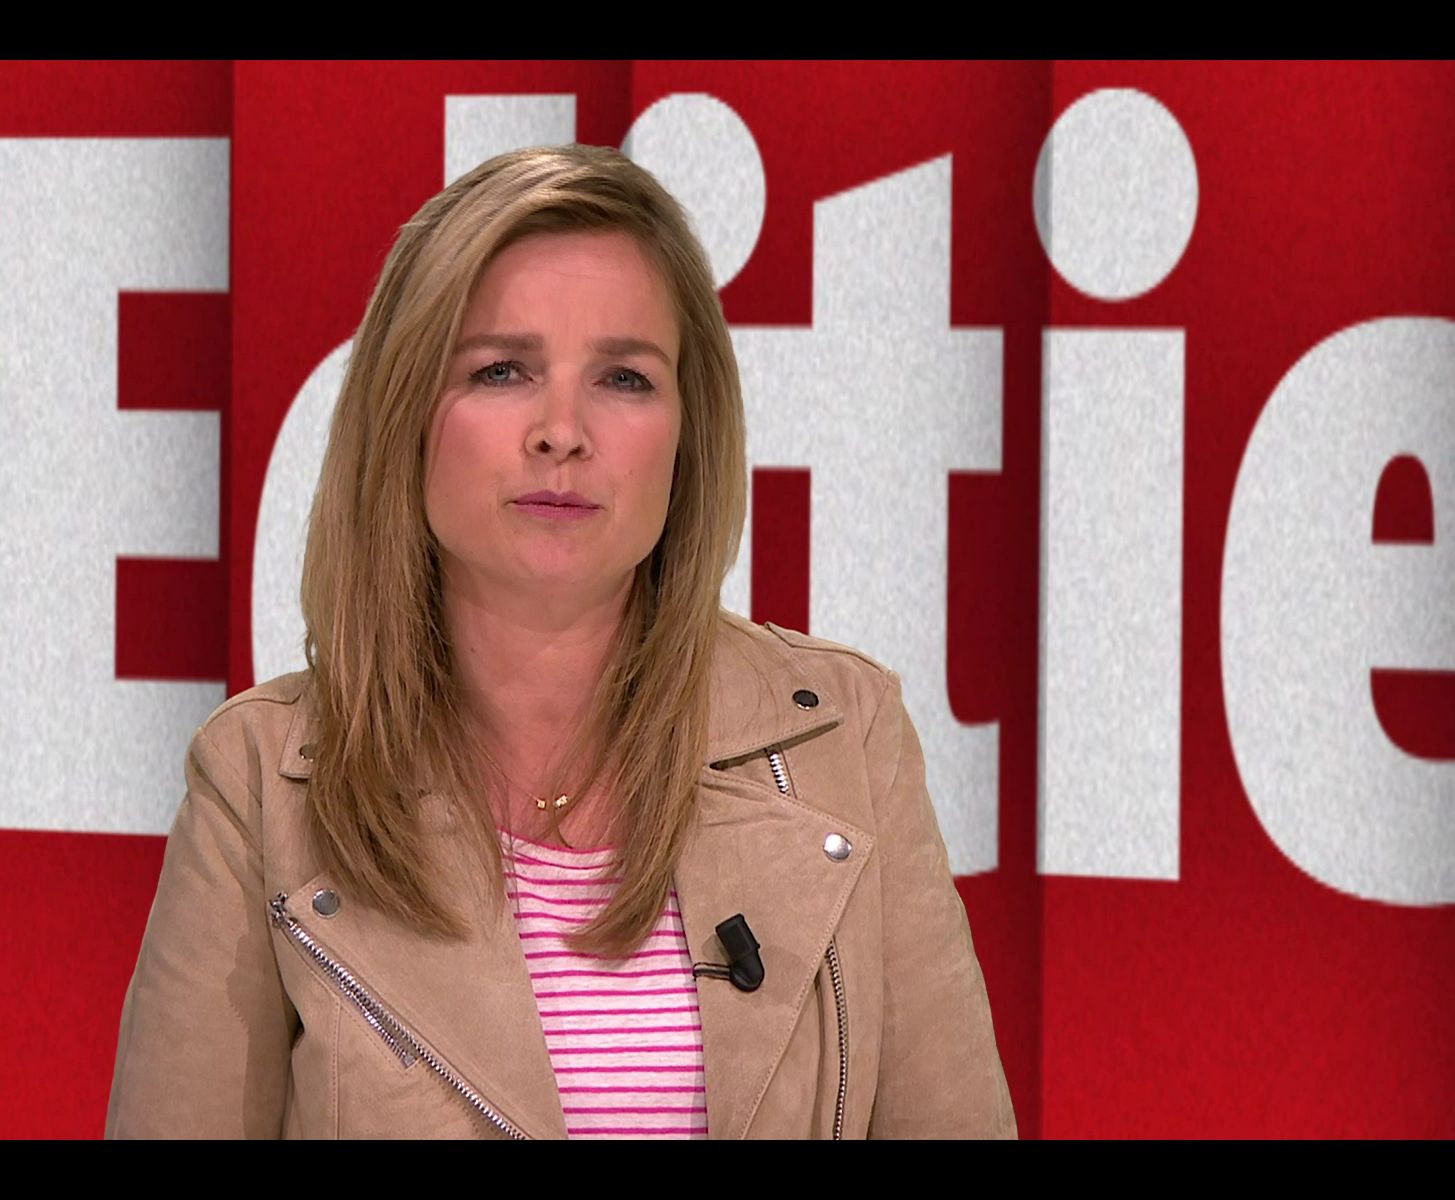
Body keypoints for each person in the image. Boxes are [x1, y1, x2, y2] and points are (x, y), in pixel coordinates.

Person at [103, 143, 1016, 1140]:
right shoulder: (259, 783)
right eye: (502, 370)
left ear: (687, 435)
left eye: (624, 377)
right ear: (406, 415)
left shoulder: (845, 739)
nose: (562, 431)